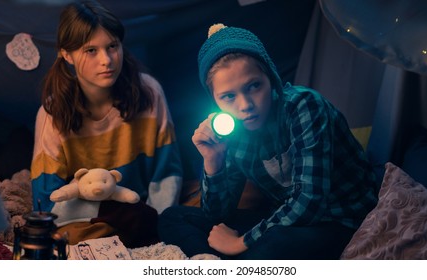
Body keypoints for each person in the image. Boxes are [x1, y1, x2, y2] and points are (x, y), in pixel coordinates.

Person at [158, 23, 378, 259]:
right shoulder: (232, 129)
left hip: (338, 220)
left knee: (275, 243)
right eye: (228, 96)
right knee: (173, 217)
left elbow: (310, 201)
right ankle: (214, 263)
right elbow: (218, 217)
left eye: (254, 86)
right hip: (283, 220)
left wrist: (243, 241)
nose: (245, 106)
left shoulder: (304, 106)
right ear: (215, 100)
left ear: (271, 79)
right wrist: (214, 162)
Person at [31, 0, 182, 248]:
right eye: (91, 50)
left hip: (144, 209)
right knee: (62, 236)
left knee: (198, 213)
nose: (107, 60)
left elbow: (167, 174)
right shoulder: (52, 113)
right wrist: (114, 211)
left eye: (113, 46)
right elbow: (47, 201)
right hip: (86, 218)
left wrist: (155, 222)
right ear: (67, 54)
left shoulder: (149, 93)